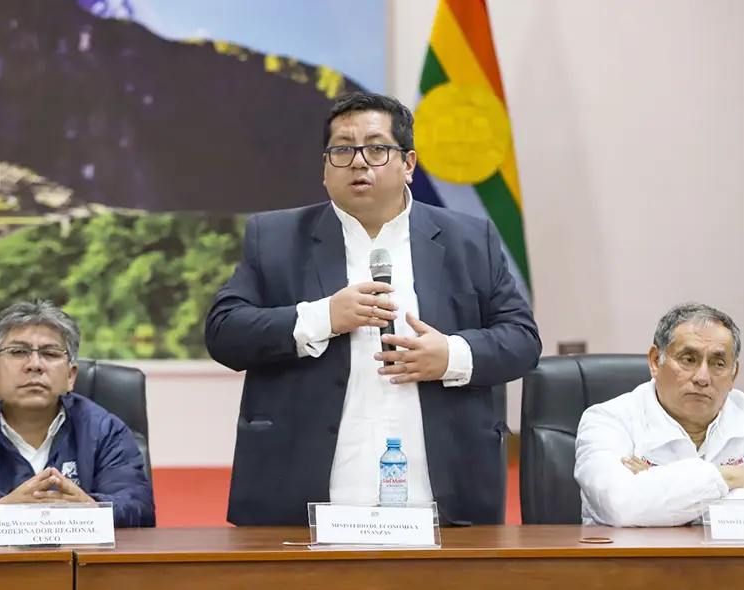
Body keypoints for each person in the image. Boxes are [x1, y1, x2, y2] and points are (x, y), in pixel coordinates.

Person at [205, 91, 541, 526]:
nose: (359, 162)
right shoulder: (275, 237)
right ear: (325, 168)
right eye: (343, 149)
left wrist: (450, 356)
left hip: (443, 496)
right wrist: (322, 317)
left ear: (409, 164)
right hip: (303, 495)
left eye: (377, 148)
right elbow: (224, 332)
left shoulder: (470, 239)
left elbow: (522, 340)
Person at [574, 302, 744, 527]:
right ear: (654, 361)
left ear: (733, 374)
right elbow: (621, 505)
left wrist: (665, 496)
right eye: (688, 359)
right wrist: (729, 476)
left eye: (718, 364)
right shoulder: (607, 420)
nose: (703, 377)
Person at [0, 300, 155, 528]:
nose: (35, 364)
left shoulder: (104, 430)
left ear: (71, 376)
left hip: (82, 559)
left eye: (50, 353)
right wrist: (0, 510)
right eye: (18, 351)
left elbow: (140, 511)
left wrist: (91, 510)